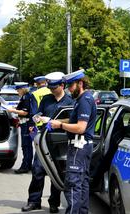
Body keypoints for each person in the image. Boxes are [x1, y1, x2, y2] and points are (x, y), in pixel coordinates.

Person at [22, 72, 74, 213]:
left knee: (55, 173)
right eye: (50, 87)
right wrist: (37, 118)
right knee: (37, 170)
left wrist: (54, 122)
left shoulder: (70, 102)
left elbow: (72, 120)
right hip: (44, 139)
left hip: (60, 141)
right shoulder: (46, 99)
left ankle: (54, 203)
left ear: (62, 85)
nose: (51, 89)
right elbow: (37, 114)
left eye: (54, 87)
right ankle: (34, 201)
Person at [49, 69, 97, 214]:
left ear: (80, 83)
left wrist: (60, 125)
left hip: (79, 147)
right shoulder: (83, 99)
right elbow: (74, 120)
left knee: (73, 184)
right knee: (82, 184)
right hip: (82, 147)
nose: (69, 90)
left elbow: (80, 127)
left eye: (71, 85)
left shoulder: (84, 100)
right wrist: (56, 121)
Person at [8, 82, 35, 174]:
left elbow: (25, 113)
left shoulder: (26, 97)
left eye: (18, 90)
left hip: (27, 124)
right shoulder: (27, 96)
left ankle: (25, 166)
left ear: (22, 89)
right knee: (28, 146)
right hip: (29, 124)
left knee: (26, 146)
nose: (17, 92)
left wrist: (13, 110)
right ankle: (28, 165)